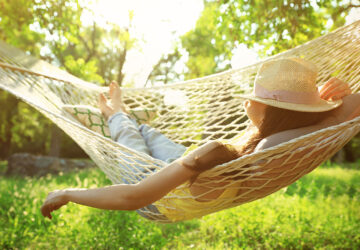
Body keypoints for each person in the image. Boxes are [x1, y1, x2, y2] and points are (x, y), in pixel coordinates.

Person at [41, 58, 360, 220]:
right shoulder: (296, 137)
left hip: (155, 189)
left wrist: (69, 192)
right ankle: (127, 114)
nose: (247, 100)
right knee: (149, 133)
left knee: (129, 136)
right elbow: (344, 112)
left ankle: (115, 114)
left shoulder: (222, 153)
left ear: (273, 111)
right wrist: (326, 103)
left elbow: (133, 197)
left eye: (255, 96)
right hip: (193, 166)